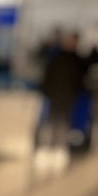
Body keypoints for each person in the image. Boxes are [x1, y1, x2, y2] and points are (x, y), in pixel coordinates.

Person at [38, 31, 86, 171]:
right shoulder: (56, 57)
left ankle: (59, 150)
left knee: (63, 123)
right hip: (54, 94)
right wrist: (45, 91)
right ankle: (44, 149)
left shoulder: (77, 60)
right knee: (50, 122)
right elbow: (47, 76)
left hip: (68, 96)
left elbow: (80, 79)